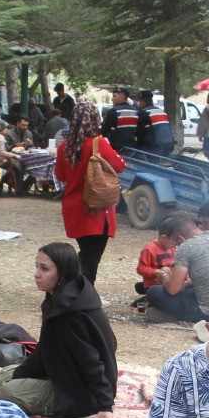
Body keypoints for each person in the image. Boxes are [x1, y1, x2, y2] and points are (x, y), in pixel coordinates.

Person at [0, 243, 119, 418]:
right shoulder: (58, 295)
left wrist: (105, 405)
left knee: (8, 391)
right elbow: (46, 348)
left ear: (62, 273)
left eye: (44, 269)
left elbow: (90, 359)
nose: (37, 274)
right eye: (37, 267)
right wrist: (19, 374)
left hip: (82, 390)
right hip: (61, 370)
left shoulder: (70, 312)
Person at [54, 99, 126, 285]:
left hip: (73, 208)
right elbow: (120, 166)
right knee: (90, 262)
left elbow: (61, 176)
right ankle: (80, 294)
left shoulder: (63, 147)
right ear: (95, 119)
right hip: (96, 209)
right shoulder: (98, 143)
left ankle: (73, 288)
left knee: (86, 256)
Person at [146, 212, 209, 323]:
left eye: (176, 244)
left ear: (180, 239)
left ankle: (172, 317)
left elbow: (173, 289)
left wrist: (164, 277)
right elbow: (207, 275)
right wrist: (184, 284)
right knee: (188, 291)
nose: (176, 247)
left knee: (154, 292)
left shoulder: (187, 246)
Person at [134, 226, 176, 295]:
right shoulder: (149, 249)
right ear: (163, 238)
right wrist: (156, 272)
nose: (175, 245)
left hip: (169, 282)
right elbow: (140, 268)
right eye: (173, 242)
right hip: (154, 285)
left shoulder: (171, 248)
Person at [135, 89, 176, 156]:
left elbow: (140, 134)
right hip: (168, 146)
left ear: (142, 101)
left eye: (139, 101)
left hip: (154, 149)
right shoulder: (162, 112)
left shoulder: (143, 113)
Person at [102, 87, 142, 152]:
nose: (112, 99)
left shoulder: (113, 111)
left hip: (117, 150)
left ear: (121, 97)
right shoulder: (136, 112)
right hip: (133, 151)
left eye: (114, 96)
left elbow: (104, 131)